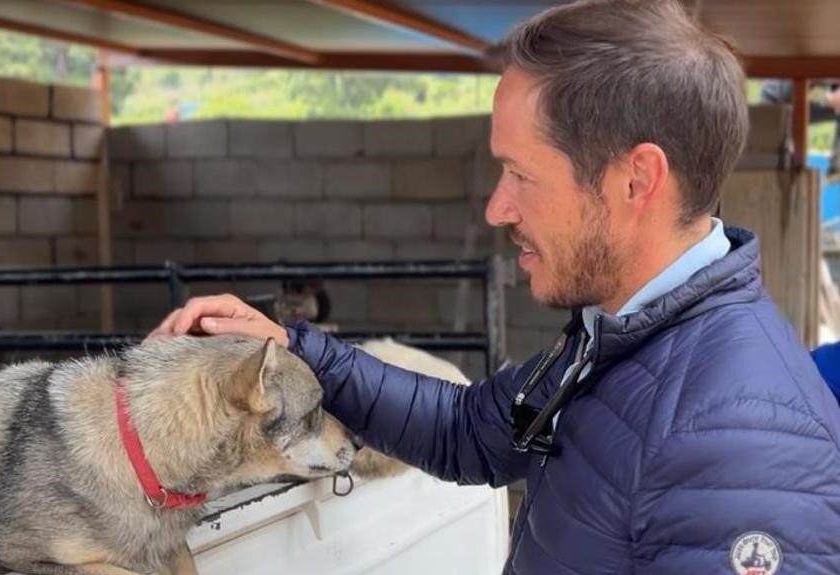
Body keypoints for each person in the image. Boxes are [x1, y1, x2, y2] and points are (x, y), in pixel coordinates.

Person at [152, 1, 840, 572]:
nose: (497, 208)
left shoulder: (738, 442)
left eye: (522, 174)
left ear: (636, 180)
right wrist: (296, 352)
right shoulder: (623, 332)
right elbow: (468, 430)